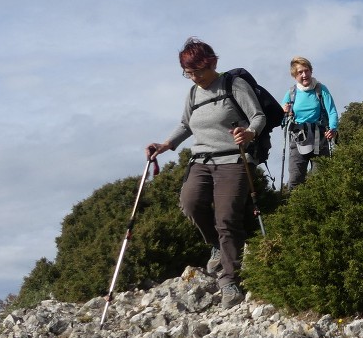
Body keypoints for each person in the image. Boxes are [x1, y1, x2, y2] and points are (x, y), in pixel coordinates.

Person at [145, 38, 264, 308]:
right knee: (190, 202)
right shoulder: (192, 93)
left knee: (227, 219)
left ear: (212, 63)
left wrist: (249, 132)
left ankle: (229, 282)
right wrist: (165, 145)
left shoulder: (234, 85)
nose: (194, 77)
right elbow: (186, 124)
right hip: (201, 159)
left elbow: (258, 116)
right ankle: (215, 246)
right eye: (188, 73)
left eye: (198, 71)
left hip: (233, 159)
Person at [281, 56, 339, 189]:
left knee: (321, 177)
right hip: (298, 139)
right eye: (300, 72)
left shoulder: (321, 89)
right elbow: (281, 120)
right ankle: (294, 207)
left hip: (320, 138)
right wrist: (285, 112)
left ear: (311, 71)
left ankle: (321, 207)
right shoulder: (291, 93)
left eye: (306, 71)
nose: (304, 75)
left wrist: (333, 128)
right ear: (294, 76)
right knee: (296, 178)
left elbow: (332, 111)